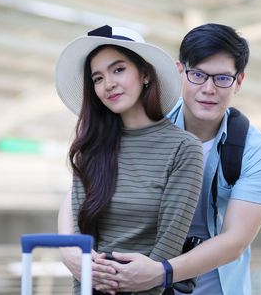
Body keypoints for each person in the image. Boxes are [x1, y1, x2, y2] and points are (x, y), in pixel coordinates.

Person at [93, 23, 261, 295]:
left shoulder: (255, 152)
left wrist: (161, 273)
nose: (208, 88)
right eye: (197, 75)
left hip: (215, 287)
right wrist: (75, 255)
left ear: (239, 81)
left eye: (222, 78)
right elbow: (86, 184)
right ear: (180, 71)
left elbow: (235, 240)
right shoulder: (148, 121)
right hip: (138, 281)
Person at [55, 25, 204, 295]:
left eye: (118, 69)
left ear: (145, 74)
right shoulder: (90, 148)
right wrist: (87, 277)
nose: (108, 83)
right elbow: (80, 244)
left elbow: (168, 244)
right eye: (97, 78)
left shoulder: (183, 148)